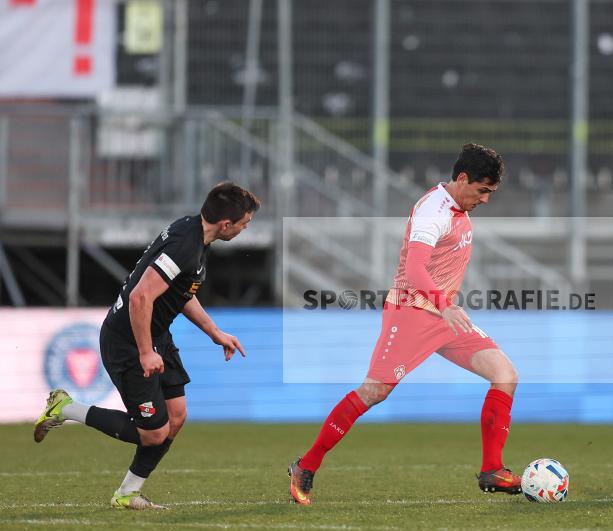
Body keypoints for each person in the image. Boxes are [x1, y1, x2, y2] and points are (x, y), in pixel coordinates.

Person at [289, 143, 520, 505]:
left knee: (505, 374)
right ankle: (306, 464)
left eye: (491, 192)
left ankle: (492, 469)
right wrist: (444, 304)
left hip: (445, 316)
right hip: (412, 313)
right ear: (462, 179)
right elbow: (414, 269)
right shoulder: (434, 210)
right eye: (482, 191)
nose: (486, 200)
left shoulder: (458, 207)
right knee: (374, 392)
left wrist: (446, 306)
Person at [33, 182, 260, 509]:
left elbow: (180, 291)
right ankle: (64, 408)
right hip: (128, 341)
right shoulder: (185, 246)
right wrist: (144, 352)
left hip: (155, 336)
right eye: (244, 223)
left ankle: (127, 493)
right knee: (154, 432)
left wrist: (214, 332)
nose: (245, 228)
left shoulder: (193, 232)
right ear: (226, 224)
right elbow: (141, 297)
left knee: (177, 417)